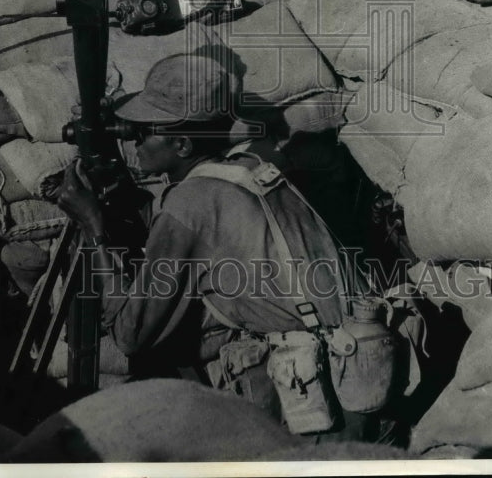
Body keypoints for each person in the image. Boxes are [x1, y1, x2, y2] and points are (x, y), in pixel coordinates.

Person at [55, 53, 377, 438]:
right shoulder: (254, 165)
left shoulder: (192, 203)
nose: (133, 137)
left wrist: (94, 227)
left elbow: (130, 335)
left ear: (183, 145)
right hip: (363, 368)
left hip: (325, 407)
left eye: (145, 130)